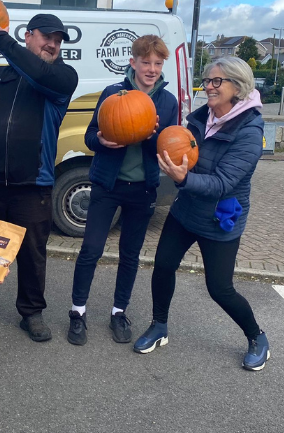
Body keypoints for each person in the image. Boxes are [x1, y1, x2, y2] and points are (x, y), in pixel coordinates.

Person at [134, 56, 270, 371]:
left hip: (220, 219)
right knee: (163, 265)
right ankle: (159, 326)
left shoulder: (249, 131)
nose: (208, 86)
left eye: (216, 81)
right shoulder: (202, 117)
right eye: (207, 80)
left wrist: (183, 179)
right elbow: (182, 149)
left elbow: (223, 182)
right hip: (187, 211)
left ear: (238, 85)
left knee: (219, 288)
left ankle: (257, 336)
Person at [0, 10, 78, 342]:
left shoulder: (62, 78)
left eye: (57, 40)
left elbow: (37, 71)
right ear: (28, 36)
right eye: (46, 37)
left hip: (33, 185)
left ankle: (31, 313)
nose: (52, 44)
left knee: (32, 253)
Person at [67, 35, 178, 346]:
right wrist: (101, 141)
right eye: (146, 62)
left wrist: (152, 137)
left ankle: (119, 312)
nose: (152, 69)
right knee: (91, 250)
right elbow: (90, 136)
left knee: (130, 255)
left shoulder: (168, 103)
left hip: (143, 189)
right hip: (107, 184)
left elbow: (170, 147)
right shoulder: (112, 94)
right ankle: (77, 312)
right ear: (133, 63)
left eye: (158, 63)